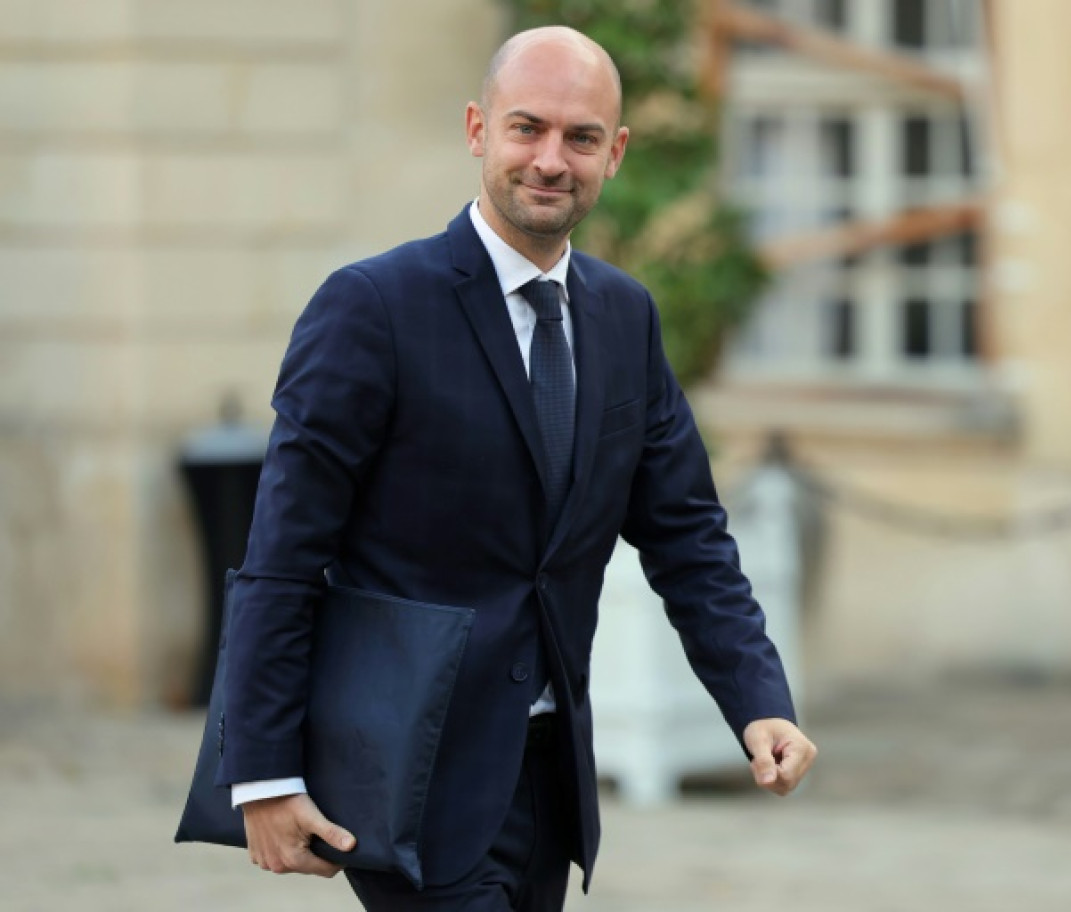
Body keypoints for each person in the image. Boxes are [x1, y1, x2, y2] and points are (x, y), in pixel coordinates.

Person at [217, 24, 816, 912]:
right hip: (406, 774)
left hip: (552, 779)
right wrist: (262, 773)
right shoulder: (372, 308)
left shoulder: (625, 317)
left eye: (579, 138)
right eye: (525, 128)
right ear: (476, 130)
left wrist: (756, 697)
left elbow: (687, 535)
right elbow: (284, 552)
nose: (549, 159)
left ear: (614, 152)